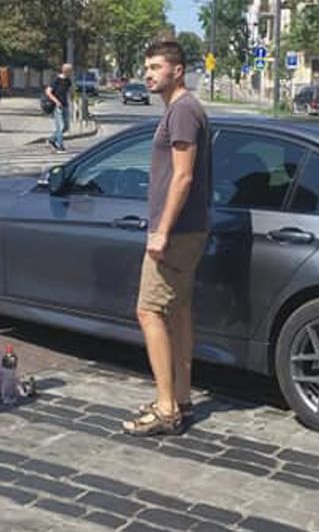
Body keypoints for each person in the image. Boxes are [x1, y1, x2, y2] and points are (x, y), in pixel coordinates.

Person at [122, 40, 212, 437]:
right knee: (177, 312)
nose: (148, 73)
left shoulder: (182, 112)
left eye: (156, 67)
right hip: (186, 229)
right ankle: (181, 396)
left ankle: (166, 407)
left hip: (176, 232)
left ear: (178, 70)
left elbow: (184, 175)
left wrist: (161, 230)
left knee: (149, 312)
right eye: (147, 67)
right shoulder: (183, 110)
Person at [45, 63, 73, 153]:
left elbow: (69, 92)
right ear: (65, 70)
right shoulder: (56, 79)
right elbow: (48, 92)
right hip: (57, 106)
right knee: (60, 126)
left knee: (66, 127)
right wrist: (56, 101)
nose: (71, 72)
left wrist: (71, 100)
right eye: (70, 71)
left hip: (65, 105)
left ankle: (51, 139)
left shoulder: (68, 81)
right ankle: (59, 146)